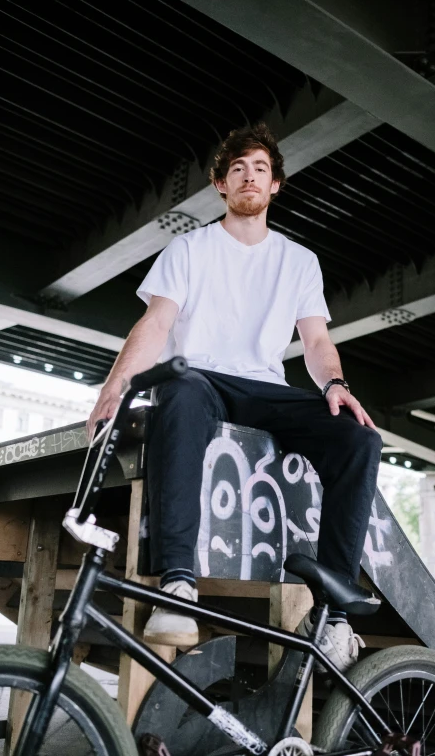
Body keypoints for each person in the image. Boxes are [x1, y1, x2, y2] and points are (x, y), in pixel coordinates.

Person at [87, 123, 382, 672]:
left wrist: (336, 386)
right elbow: (155, 323)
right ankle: (179, 585)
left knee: (360, 438)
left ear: (275, 186)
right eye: (238, 169)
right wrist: (116, 387)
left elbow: (315, 341)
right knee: (177, 389)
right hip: (201, 379)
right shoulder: (191, 248)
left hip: (268, 386)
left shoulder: (299, 260)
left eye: (261, 169)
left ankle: (335, 614)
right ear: (221, 184)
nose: (250, 177)